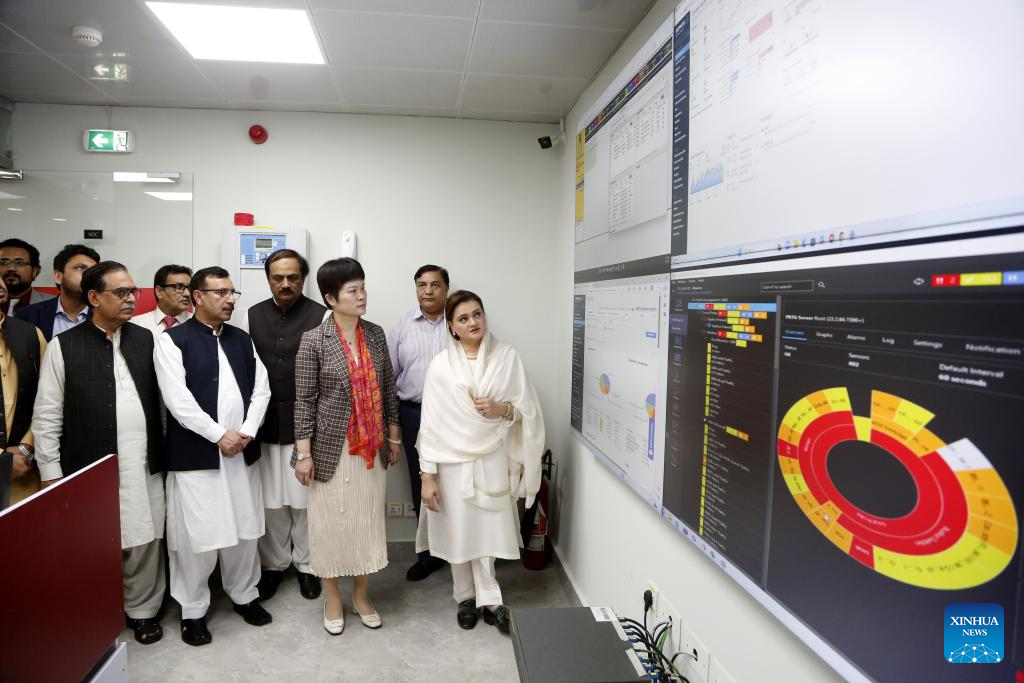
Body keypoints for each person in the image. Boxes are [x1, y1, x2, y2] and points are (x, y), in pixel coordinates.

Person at [32, 261, 167, 644]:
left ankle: (142, 611)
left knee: (145, 536)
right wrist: (51, 473)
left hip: (144, 461)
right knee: (93, 543)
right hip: (89, 466)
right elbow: (46, 415)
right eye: (120, 293)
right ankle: (98, 612)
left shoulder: (146, 339)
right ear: (94, 297)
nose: (131, 299)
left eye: (133, 291)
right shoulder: (64, 347)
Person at [154, 266, 272, 646]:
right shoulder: (173, 340)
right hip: (197, 456)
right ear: (197, 296)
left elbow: (262, 390)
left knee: (244, 530)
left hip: (241, 452)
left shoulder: (242, 339)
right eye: (221, 292)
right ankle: (192, 610)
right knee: (197, 537)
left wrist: (247, 431)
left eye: (232, 292)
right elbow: (178, 401)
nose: (229, 299)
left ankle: (245, 595)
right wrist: (219, 435)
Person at [415, 290, 545, 634]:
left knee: (488, 528)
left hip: (492, 457)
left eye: (477, 314)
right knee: (458, 530)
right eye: (463, 318)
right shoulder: (440, 366)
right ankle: (465, 597)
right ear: (452, 327)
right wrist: (427, 476)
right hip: (450, 463)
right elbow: (430, 425)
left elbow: (528, 410)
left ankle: (491, 600)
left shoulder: (507, 357)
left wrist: (502, 409)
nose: (473, 322)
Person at [293, 257, 400, 635]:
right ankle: (332, 598)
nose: (362, 295)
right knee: (329, 526)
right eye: (352, 290)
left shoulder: (375, 334)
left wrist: (393, 436)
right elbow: (304, 401)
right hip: (330, 450)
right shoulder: (313, 340)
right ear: (330, 298)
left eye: (363, 287)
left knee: (365, 524)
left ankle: (361, 595)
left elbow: (388, 389)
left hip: (371, 449)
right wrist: (303, 454)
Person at [246, 249, 326, 601]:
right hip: (265, 423)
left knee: (305, 500)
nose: (285, 284)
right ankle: (274, 565)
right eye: (278, 277)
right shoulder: (251, 315)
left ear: (303, 279)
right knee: (271, 501)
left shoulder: (322, 315)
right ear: (268, 279)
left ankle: (307, 565)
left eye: (293, 277)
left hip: (306, 425)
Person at [387, 264, 450, 581]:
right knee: (421, 482)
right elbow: (389, 377)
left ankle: (460, 550)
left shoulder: (459, 321)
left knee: (458, 481)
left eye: (435, 284)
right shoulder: (402, 326)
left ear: (446, 289)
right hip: (414, 414)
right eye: (422, 284)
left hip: (455, 416)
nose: (428, 290)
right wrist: (392, 426)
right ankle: (428, 554)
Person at [0, 277, 47, 504]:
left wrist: (26, 447)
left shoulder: (30, 334)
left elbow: (49, 399)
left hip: (23, 473)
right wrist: (2, 460)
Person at [17, 243, 99, 341]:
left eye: (93, 271)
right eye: (80, 268)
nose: (89, 275)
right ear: (58, 277)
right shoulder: (28, 315)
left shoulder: (107, 315)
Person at [131, 265, 193, 335]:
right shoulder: (136, 324)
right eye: (179, 287)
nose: (187, 294)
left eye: (190, 288)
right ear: (159, 291)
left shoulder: (199, 324)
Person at [0, 238, 54, 315]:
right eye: (3, 262)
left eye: (20, 263)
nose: (11, 268)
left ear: (34, 271)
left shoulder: (55, 304)